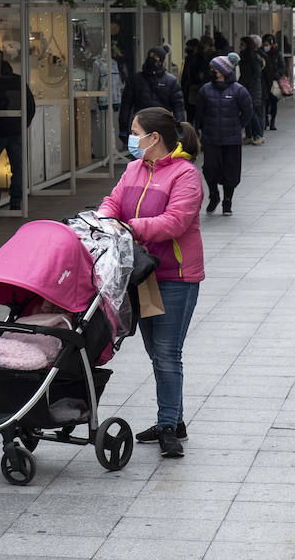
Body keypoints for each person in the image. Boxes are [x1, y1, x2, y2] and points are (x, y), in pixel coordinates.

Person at [98, 107, 203, 460]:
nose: (131, 138)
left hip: (175, 275)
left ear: (154, 137)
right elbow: (113, 202)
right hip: (140, 274)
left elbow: (176, 221)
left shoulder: (185, 175)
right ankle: (176, 418)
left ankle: (167, 426)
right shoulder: (132, 169)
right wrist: (103, 219)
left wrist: (130, 227)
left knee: (167, 354)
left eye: (135, 131)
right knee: (156, 353)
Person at [195, 56, 254, 215]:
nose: (212, 72)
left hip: (231, 139)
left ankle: (228, 201)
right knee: (209, 169)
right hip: (211, 138)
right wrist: (198, 131)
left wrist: (237, 126)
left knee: (231, 171)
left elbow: (248, 112)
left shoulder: (238, 90)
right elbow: (199, 114)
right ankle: (214, 195)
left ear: (223, 71)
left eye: (215, 69)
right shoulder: (205, 90)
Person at [0, 49, 35, 212]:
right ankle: (16, 201)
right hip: (15, 131)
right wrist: (22, 125)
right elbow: (30, 106)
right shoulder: (17, 81)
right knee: (17, 167)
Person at [119, 46, 184, 142]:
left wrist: (180, 130)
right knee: (142, 154)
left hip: (162, 125)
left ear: (161, 60)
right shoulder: (136, 79)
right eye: (150, 55)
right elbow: (126, 105)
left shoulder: (171, 81)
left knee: (161, 154)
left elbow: (179, 108)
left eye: (155, 56)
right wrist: (123, 128)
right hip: (141, 124)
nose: (151, 58)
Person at [237, 37, 265, 144]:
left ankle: (259, 135)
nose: (240, 46)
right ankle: (249, 135)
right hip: (245, 86)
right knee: (247, 112)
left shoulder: (253, 57)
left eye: (242, 44)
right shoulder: (244, 56)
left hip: (252, 88)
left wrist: (247, 85)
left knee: (251, 112)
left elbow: (255, 74)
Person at [260, 33, 286, 131]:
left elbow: (282, 67)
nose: (265, 46)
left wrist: (276, 75)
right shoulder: (261, 53)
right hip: (265, 81)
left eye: (267, 44)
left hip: (274, 82)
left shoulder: (277, 54)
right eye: (264, 44)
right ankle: (266, 119)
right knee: (265, 102)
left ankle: (272, 121)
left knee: (274, 101)